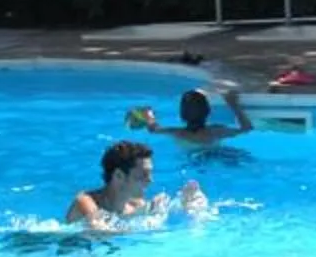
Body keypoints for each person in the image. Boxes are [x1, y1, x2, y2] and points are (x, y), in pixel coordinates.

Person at [68, 139, 205, 228]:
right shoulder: (86, 202)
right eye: (143, 174)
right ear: (119, 176)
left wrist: (186, 205)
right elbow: (100, 232)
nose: (150, 180)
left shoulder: (136, 205)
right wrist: (145, 215)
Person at [125, 82, 255, 145]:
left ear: (182, 115)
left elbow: (153, 129)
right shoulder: (217, 131)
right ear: (208, 112)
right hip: (216, 156)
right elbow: (247, 128)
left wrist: (149, 115)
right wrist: (233, 104)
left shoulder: (176, 133)